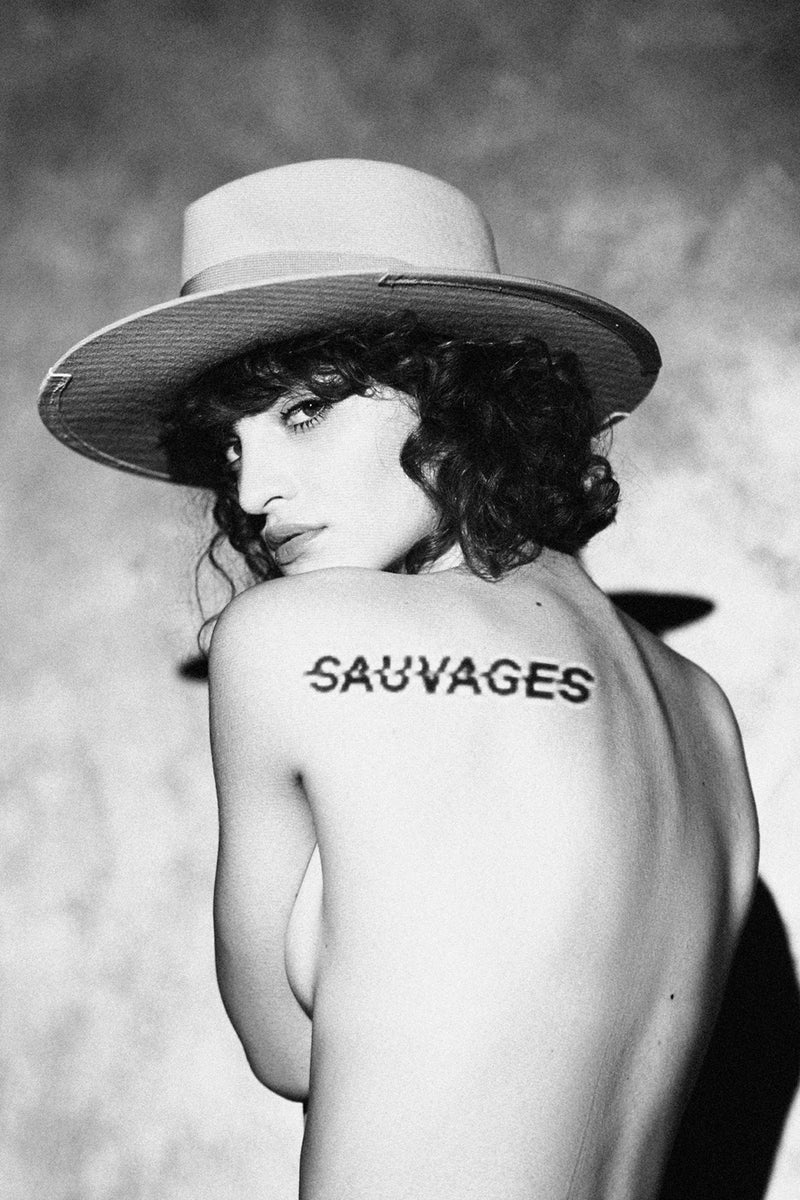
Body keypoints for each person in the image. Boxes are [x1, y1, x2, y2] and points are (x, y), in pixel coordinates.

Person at [39, 159, 759, 1200]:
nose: (256, 489)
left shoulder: (291, 638)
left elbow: (285, 1052)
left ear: (458, 393)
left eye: (303, 412)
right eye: (229, 450)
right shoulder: (700, 709)